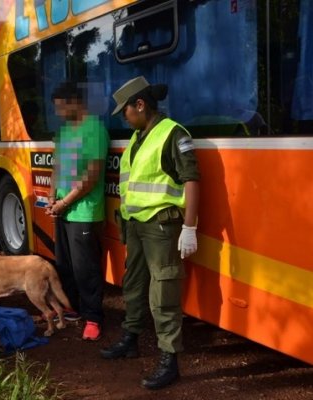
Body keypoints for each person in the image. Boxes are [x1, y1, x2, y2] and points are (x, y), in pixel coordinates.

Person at [100, 76, 200, 390]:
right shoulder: (139, 136)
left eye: (125, 111)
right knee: (134, 283)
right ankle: (130, 339)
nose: (124, 117)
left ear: (140, 105)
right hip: (136, 226)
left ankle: (169, 360)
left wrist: (190, 227)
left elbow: (192, 181)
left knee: (163, 293)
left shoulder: (172, 133)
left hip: (160, 226)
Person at [45, 82, 109, 341]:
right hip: (63, 209)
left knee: (87, 269)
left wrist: (64, 202)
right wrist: (51, 198)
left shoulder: (94, 129)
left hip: (84, 211)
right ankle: (72, 309)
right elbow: (57, 168)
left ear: (75, 103)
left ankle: (94, 318)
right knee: (64, 264)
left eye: (61, 108)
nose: (59, 113)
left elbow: (91, 175)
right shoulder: (64, 133)